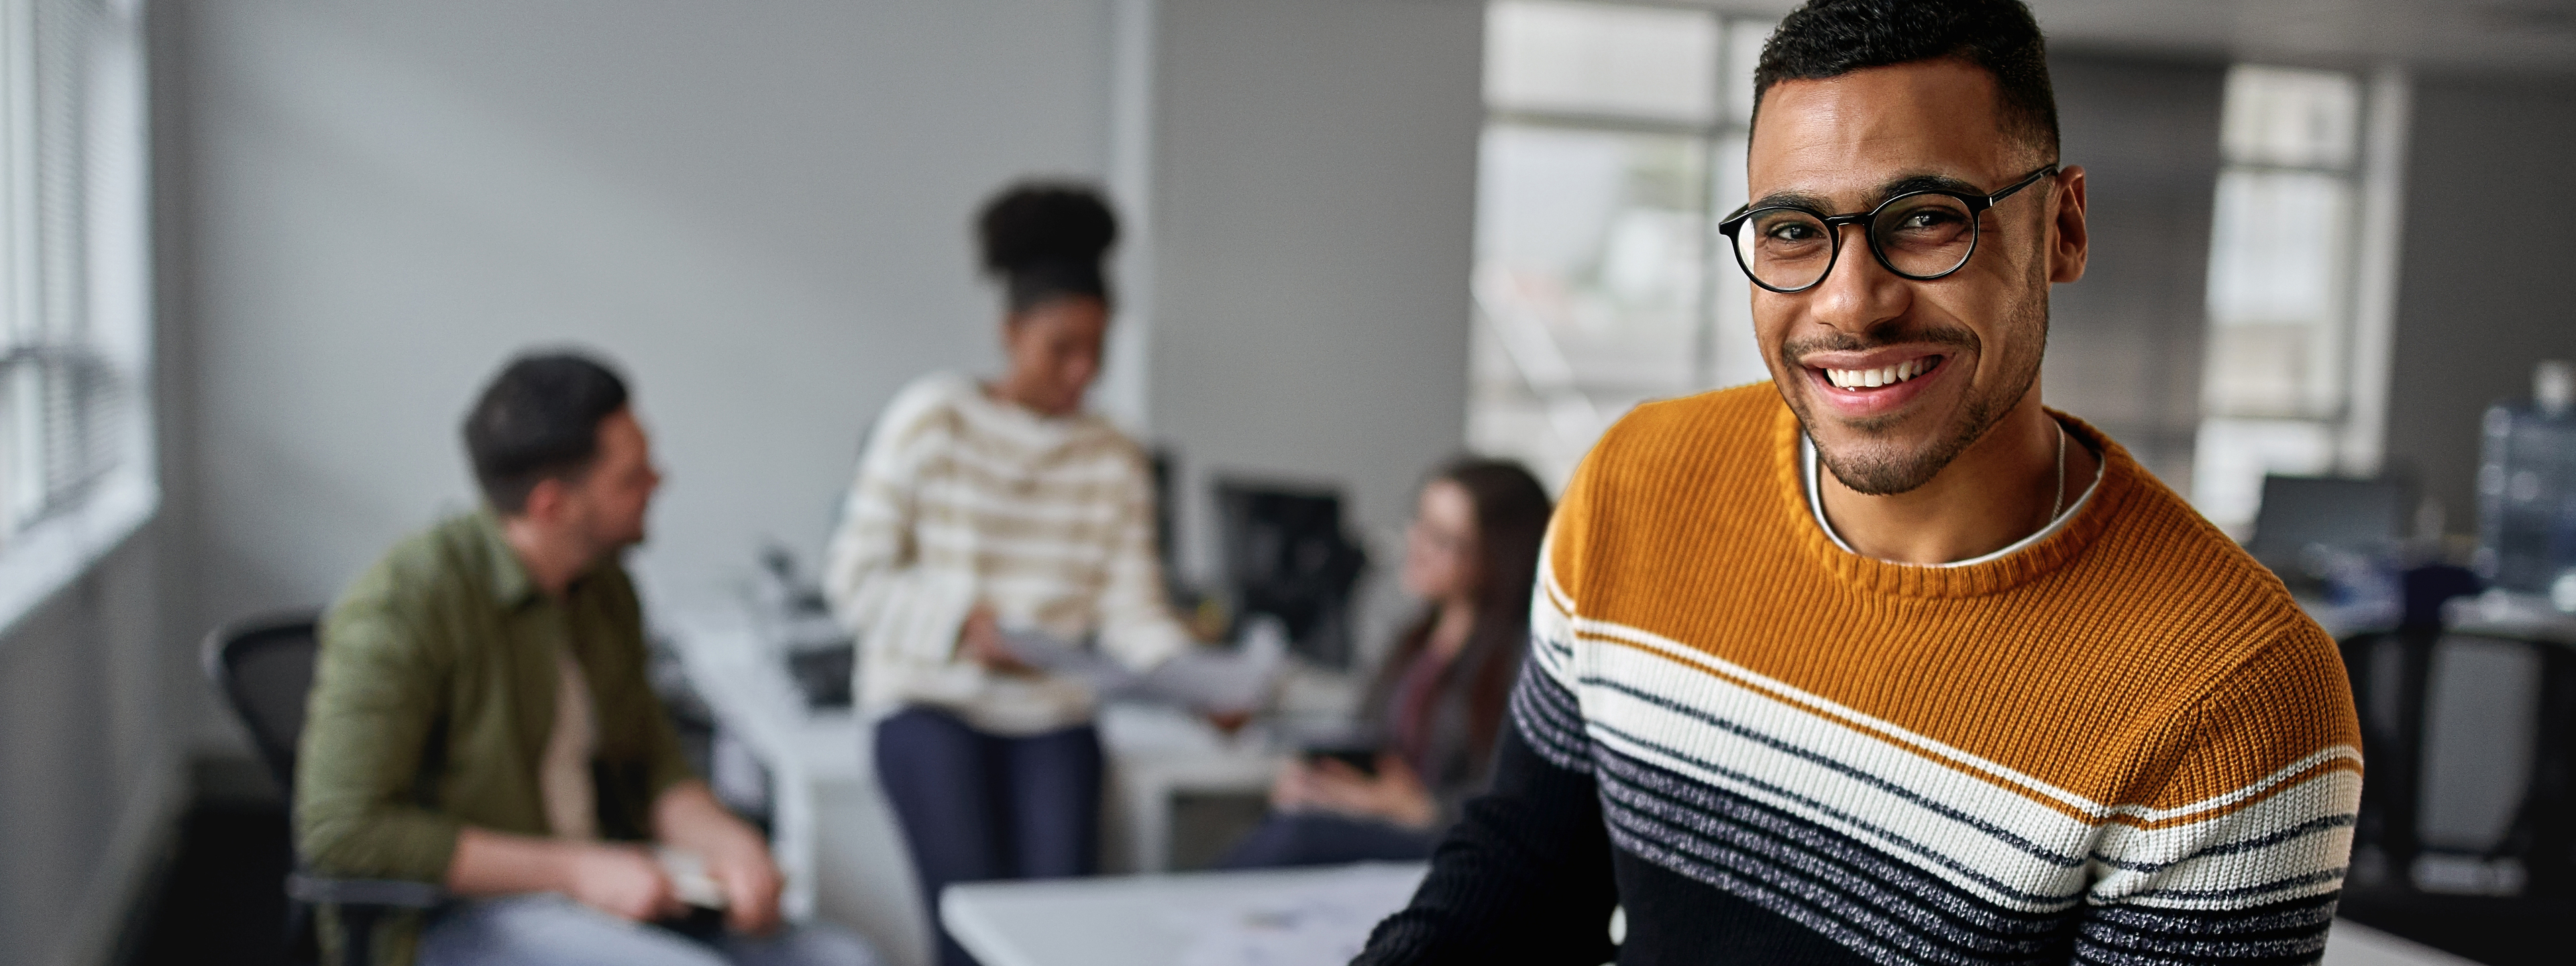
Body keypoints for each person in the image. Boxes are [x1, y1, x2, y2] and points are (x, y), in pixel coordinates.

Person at [1354, 2, 2362, 964]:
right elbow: (1526, 874)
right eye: (1793, 230)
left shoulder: (2239, 699)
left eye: (1926, 217)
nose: (1852, 303)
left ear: (2063, 227)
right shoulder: (1635, 484)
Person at [299, 354, 875, 966]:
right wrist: (575, 872)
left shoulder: (604, 588)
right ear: (552, 505)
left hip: (618, 888)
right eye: (631, 476)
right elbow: (343, 832)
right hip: (458, 916)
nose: (660, 481)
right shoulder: (404, 604)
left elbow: (652, 765)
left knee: (844, 959)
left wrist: (729, 846)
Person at [824, 182, 1230, 966]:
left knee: (1055, 941)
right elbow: (856, 577)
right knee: (972, 936)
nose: (1080, 372)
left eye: (1097, 352)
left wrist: (1196, 682)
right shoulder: (932, 418)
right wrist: (958, 625)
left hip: (1052, 716)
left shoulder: (1114, 453)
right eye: (1060, 349)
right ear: (1009, 332)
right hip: (932, 705)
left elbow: (1132, 609)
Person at [1218, 458, 1550, 869]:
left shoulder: (1523, 658)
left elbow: (1520, 798)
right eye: (1419, 525)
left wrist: (1415, 807)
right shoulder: (1414, 641)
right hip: (1392, 820)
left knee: (1297, 837)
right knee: (1291, 816)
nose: (1418, 547)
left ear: (1498, 555)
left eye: (1443, 540)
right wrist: (1330, 784)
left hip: (1452, 840)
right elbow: (1372, 741)